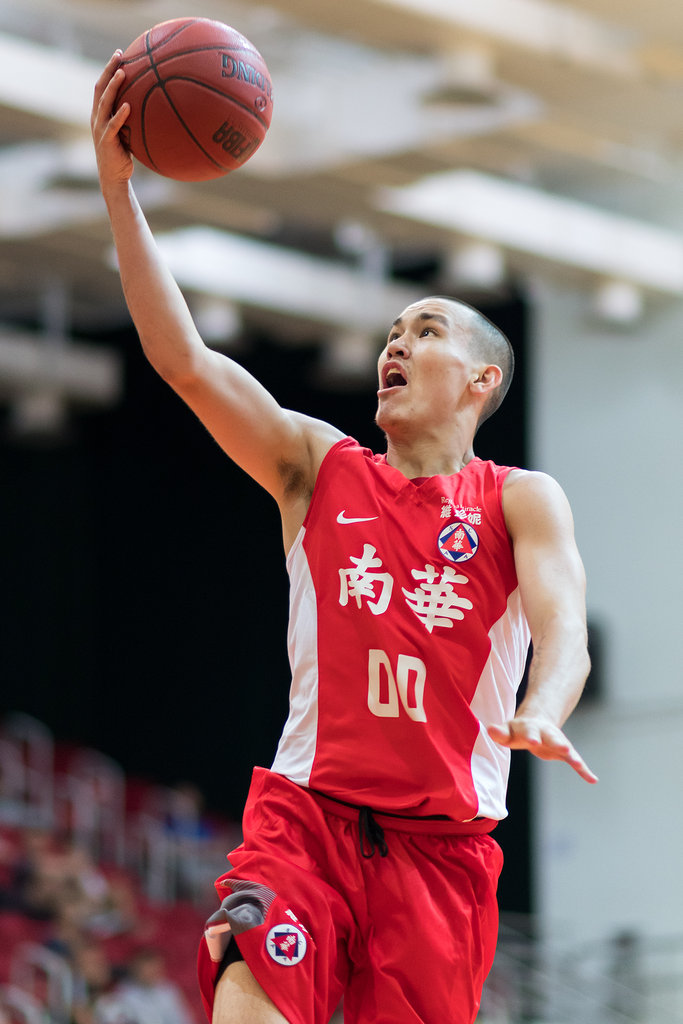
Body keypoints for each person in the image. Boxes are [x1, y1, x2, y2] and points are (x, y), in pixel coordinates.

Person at [91, 51, 597, 1024]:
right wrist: (120, 193)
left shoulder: (519, 500)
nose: (394, 343)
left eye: (425, 330)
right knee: (244, 999)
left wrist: (543, 705)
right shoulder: (316, 466)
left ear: (481, 381)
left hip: (439, 856)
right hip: (305, 823)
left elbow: (562, 624)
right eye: (391, 331)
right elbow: (186, 362)